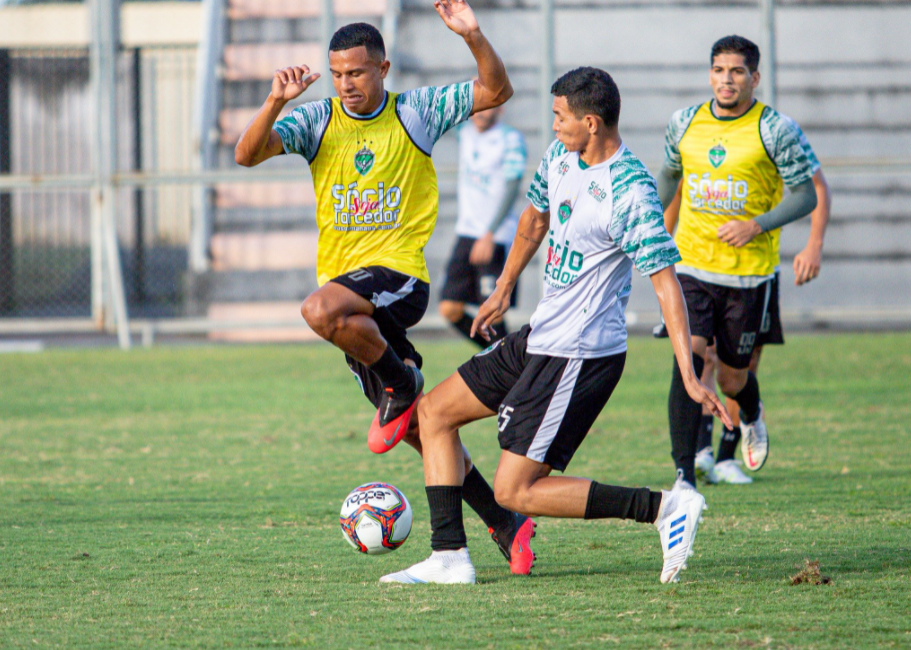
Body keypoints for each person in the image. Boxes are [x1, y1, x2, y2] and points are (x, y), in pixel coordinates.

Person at [379, 67, 731, 586]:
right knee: (432, 414)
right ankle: (449, 556)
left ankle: (663, 508)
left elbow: (665, 285)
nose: (554, 125)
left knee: (514, 491)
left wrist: (691, 372)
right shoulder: (561, 157)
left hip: (580, 353)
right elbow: (533, 220)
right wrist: (502, 288)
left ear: (591, 122)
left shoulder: (630, 191)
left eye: (560, 116)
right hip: (541, 333)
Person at [234, 5, 536, 574]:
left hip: (398, 278)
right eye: (338, 73)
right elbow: (245, 154)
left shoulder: (415, 112)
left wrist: (472, 35)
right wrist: (277, 100)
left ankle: (401, 381)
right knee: (424, 430)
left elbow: (496, 90)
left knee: (318, 308)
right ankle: (503, 522)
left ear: (383, 68)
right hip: (352, 303)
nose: (346, 84)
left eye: (357, 72)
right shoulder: (318, 119)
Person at [657, 35, 818, 488]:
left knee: (731, 379)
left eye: (736, 71)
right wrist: (648, 222)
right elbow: (668, 176)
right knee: (687, 360)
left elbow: (805, 195)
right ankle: (684, 474)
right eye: (718, 70)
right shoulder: (685, 123)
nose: (726, 80)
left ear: (754, 77)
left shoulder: (774, 129)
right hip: (690, 265)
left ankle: (750, 411)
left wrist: (757, 225)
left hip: (748, 276)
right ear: (709, 74)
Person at [439, 107, 526, 347]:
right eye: (477, 107)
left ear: (500, 107)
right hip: (466, 233)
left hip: (495, 236)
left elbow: (512, 186)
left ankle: (508, 367)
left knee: (493, 312)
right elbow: (446, 109)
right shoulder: (466, 132)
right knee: (449, 308)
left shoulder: (510, 139)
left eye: (486, 107)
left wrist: (489, 234)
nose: (479, 113)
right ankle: (502, 360)